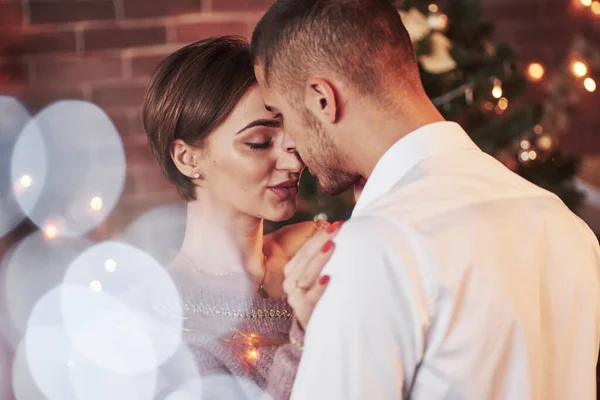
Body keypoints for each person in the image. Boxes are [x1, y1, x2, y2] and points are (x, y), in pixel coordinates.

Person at [251, 0, 600, 399]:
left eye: (281, 116)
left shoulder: (375, 246)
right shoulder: (562, 222)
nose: (290, 142)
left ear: (322, 99)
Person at [141, 36, 340, 399]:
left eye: (292, 139)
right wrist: (301, 342)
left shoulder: (313, 254)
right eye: (260, 142)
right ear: (187, 158)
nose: (294, 164)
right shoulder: (161, 317)